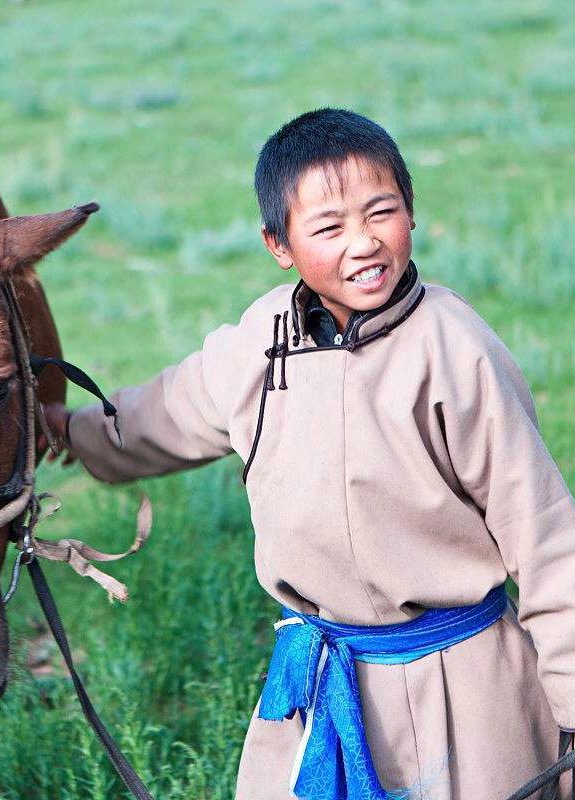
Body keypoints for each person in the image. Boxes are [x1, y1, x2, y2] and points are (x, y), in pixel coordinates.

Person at [39, 108, 575, 800]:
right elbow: (165, 412)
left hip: (466, 686)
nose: (364, 244)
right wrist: (62, 429)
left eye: (381, 212)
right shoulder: (262, 339)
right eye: (328, 227)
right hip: (324, 680)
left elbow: (547, 542)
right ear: (279, 244)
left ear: (411, 211)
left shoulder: (455, 348)